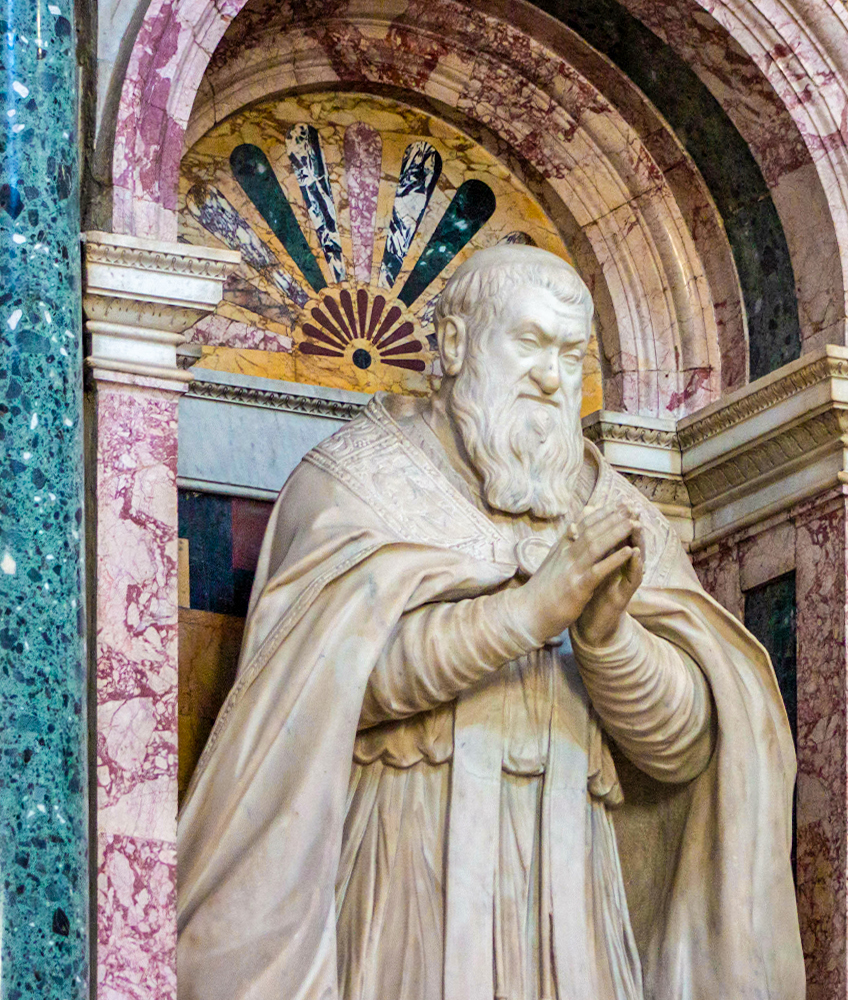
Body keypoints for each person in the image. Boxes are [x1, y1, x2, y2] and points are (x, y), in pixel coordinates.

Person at [176, 244, 803, 1000]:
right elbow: (328, 686)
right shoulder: (359, 484)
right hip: (411, 875)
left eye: (571, 355)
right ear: (452, 344)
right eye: (530, 342)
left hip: (577, 896)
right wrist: (528, 613)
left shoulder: (618, 514)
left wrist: (609, 641)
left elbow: (690, 749)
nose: (551, 376)